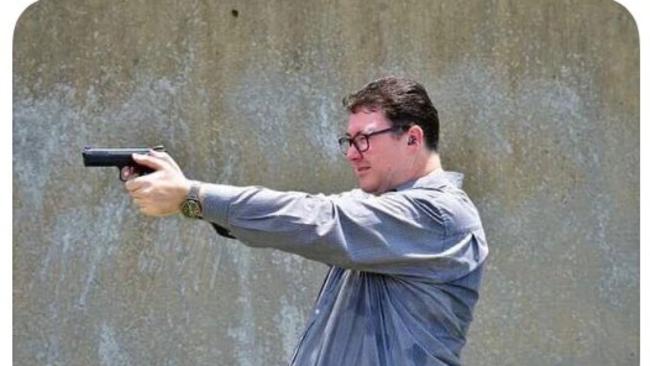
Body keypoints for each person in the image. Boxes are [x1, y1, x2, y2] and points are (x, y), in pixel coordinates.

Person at [124, 76, 489, 365]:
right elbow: (292, 220)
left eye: (363, 139)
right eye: (348, 140)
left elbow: (315, 218)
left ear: (412, 138)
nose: (351, 154)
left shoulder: (439, 216)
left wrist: (193, 196)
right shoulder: (380, 208)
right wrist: (185, 201)